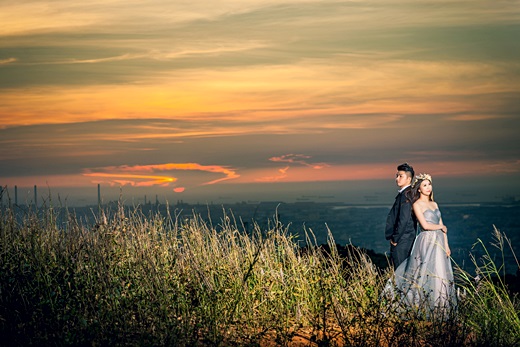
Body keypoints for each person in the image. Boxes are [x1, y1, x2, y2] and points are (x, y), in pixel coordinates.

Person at [385, 173, 457, 317]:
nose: (428, 187)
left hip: (439, 242)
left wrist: (446, 245)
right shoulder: (417, 204)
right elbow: (425, 225)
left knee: (439, 272)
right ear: (419, 189)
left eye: (429, 184)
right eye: (424, 185)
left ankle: (439, 308)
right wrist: (441, 228)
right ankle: (417, 305)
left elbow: (442, 225)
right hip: (426, 240)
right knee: (422, 271)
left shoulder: (434, 204)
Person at [385, 163, 417, 269]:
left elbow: (404, 219)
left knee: (400, 270)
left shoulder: (406, 195)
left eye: (400, 176)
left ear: (409, 179)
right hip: (404, 238)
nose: (397, 178)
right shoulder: (406, 194)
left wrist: (395, 239)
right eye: (396, 176)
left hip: (403, 239)